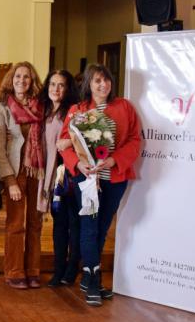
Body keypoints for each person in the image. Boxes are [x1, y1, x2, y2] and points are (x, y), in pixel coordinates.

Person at [60, 64, 141, 305]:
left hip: (114, 179)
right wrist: (78, 165)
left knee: (103, 227)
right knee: (89, 228)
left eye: (106, 80)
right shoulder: (77, 110)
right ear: (89, 84)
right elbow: (64, 141)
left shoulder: (124, 107)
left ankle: (87, 275)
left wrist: (115, 160)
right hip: (87, 181)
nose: (103, 85)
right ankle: (94, 281)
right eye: (97, 81)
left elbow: (135, 140)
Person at [0, 61, 44, 289]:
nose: (21, 81)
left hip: (38, 171)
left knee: (35, 222)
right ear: (11, 80)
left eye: (26, 77)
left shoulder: (42, 107)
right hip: (16, 172)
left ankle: (32, 269)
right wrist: (9, 180)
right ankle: (14, 270)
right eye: (18, 77)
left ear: (32, 81)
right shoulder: (1, 109)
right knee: (15, 224)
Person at [37, 70, 81, 288]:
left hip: (69, 174)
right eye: (52, 84)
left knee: (73, 223)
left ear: (68, 88)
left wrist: (71, 143)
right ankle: (58, 269)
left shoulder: (74, 111)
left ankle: (71, 269)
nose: (56, 89)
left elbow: (83, 140)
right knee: (58, 225)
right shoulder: (43, 110)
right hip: (50, 175)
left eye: (61, 85)